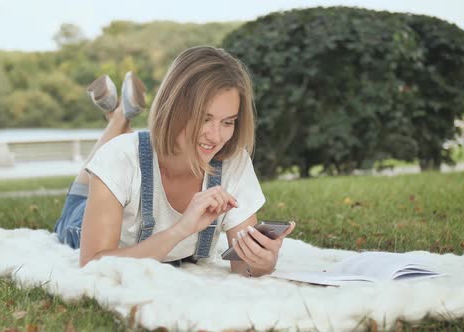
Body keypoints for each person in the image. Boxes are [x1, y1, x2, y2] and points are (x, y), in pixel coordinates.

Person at [54, 46, 295, 277]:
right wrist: (180, 229)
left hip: (123, 171)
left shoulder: (233, 163)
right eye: (204, 118)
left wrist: (262, 262)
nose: (216, 136)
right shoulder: (120, 156)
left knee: (117, 153)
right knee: (105, 160)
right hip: (82, 212)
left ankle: (118, 115)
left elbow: (243, 267)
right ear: (173, 108)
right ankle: (118, 118)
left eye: (228, 122)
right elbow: (92, 264)